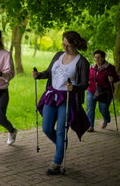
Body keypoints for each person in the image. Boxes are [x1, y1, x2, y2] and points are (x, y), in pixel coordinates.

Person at [32, 31, 90, 175]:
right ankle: (61, 145)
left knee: (60, 131)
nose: (65, 47)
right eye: (63, 44)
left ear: (75, 44)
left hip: (67, 98)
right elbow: (49, 72)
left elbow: (84, 84)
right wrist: (39, 75)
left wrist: (74, 87)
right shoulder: (58, 55)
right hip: (52, 95)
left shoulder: (82, 62)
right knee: (46, 128)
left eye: (68, 45)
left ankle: (56, 162)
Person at [86, 50, 119, 132]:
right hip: (92, 90)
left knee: (103, 109)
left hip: (104, 92)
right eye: (95, 57)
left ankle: (106, 119)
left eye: (99, 57)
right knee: (90, 108)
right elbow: (88, 77)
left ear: (103, 58)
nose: (97, 59)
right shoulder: (92, 67)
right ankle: (90, 126)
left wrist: (112, 79)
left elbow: (117, 78)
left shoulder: (110, 68)